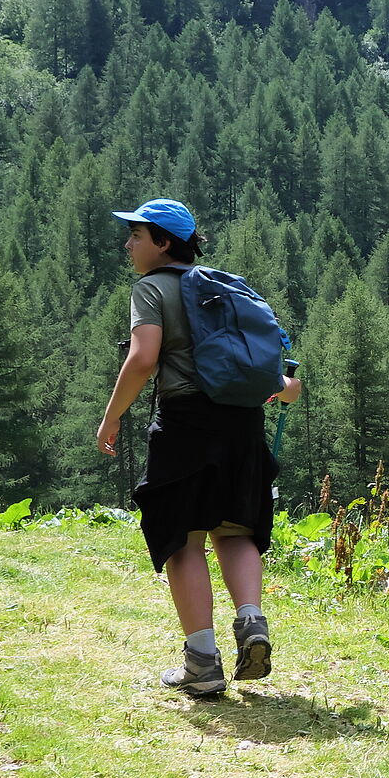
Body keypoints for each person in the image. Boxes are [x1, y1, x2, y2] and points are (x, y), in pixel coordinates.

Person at [95, 199, 301, 699]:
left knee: (183, 538)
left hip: (186, 423)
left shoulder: (152, 288)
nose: (128, 244)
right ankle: (251, 621)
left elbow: (143, 358)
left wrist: (113, 415)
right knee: (236, 530)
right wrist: (282, 388)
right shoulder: (224, 288)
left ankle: (202, 663)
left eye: (137, 236)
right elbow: (276, 377)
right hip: (243, 423)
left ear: (163, 242)